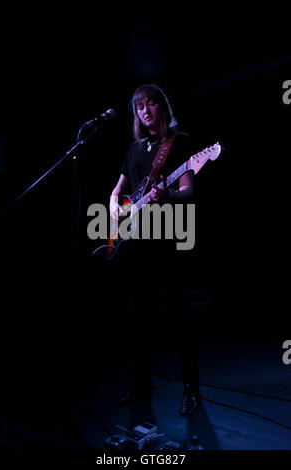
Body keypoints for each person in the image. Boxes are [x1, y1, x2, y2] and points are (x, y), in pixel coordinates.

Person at [109, 84, 201, 417]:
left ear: (162, 107)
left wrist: (169, 197)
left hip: (168, 241)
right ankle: (141, 385)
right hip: (137, 244)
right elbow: (118, 190)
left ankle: (192, 388)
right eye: (139, 107)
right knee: (140, 319)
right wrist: (112, 205)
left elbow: (187, 191)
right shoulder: (133, 150)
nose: (145, 111)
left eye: (151, 104)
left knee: (179, 318)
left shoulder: (179, 143)